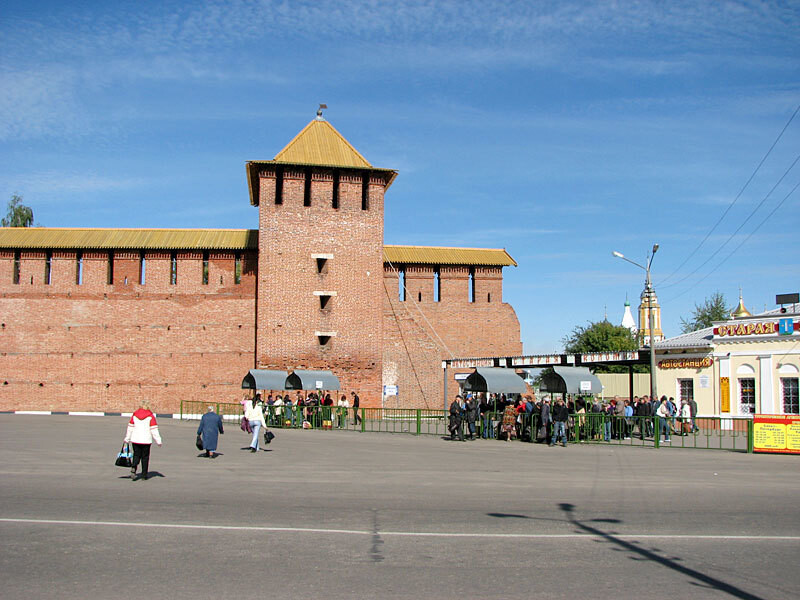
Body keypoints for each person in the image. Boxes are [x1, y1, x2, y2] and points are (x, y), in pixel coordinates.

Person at [124, 400, 162, 480]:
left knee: (136, 455)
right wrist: (158, 440)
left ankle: (134, 467)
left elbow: (130, 427)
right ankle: (144, 475)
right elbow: (154, 429)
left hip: (135, 439)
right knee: (145, 457)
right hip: (146, 440)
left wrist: (127, 438)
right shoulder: (150, 416)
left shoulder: (135, 414)